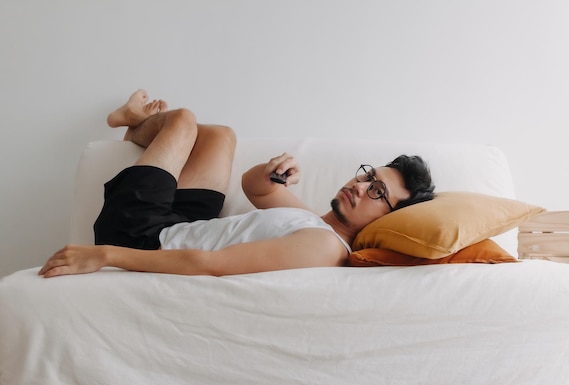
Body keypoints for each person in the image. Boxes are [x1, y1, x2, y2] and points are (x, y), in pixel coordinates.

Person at [39, 90, 435, 278]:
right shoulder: (317, 224)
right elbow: (257, 189)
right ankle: (138, 136)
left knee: (184, 121)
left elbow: (209, 264)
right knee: (221, 135)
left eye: (378, 193)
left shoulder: (324, 246)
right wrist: (274, 171)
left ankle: (126, 120)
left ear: (387, 221)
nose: (361, 186)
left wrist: (106, 255)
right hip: (182, 226)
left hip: (142, 237)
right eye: (369, 176)